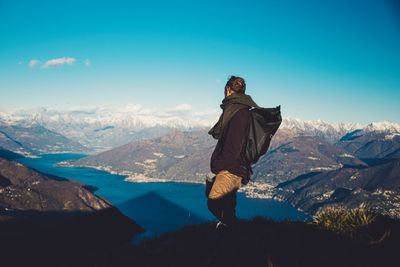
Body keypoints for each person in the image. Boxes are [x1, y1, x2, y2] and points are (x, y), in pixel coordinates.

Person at [206, 75, 257, 229]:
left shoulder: (238, 113)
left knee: (214, 202)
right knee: (227, 205)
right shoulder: (240, 111)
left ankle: (232, 229)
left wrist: (217, 167)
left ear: (228, 90)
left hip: (231, 168)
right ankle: (231, 234)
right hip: (236, 166)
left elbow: (233, 147)